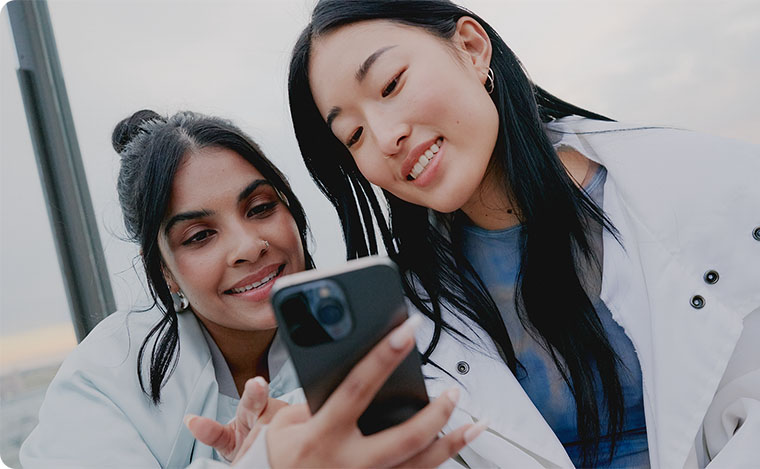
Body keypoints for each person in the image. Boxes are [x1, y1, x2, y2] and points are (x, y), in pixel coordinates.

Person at [285, 0, 760, 467]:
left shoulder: (699, 186)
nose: (384, 137)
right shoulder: (409, 312)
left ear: (472, 49)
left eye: (391, 84)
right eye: (352, 135)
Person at [19, 110, 482, 468]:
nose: (248, 246)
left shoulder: (372, 334)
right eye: (199, 236)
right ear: (165, 272)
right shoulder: (105, 378)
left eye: (260, 207)